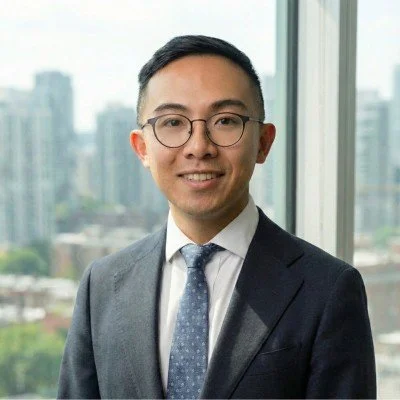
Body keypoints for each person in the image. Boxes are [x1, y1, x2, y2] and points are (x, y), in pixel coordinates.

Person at [58, 35, 376, 399]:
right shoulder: (102, 286)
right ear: (141, 147)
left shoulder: (328, 289)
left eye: (225, 120)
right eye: (172, 122)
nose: (199, 147)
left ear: (263, 142)